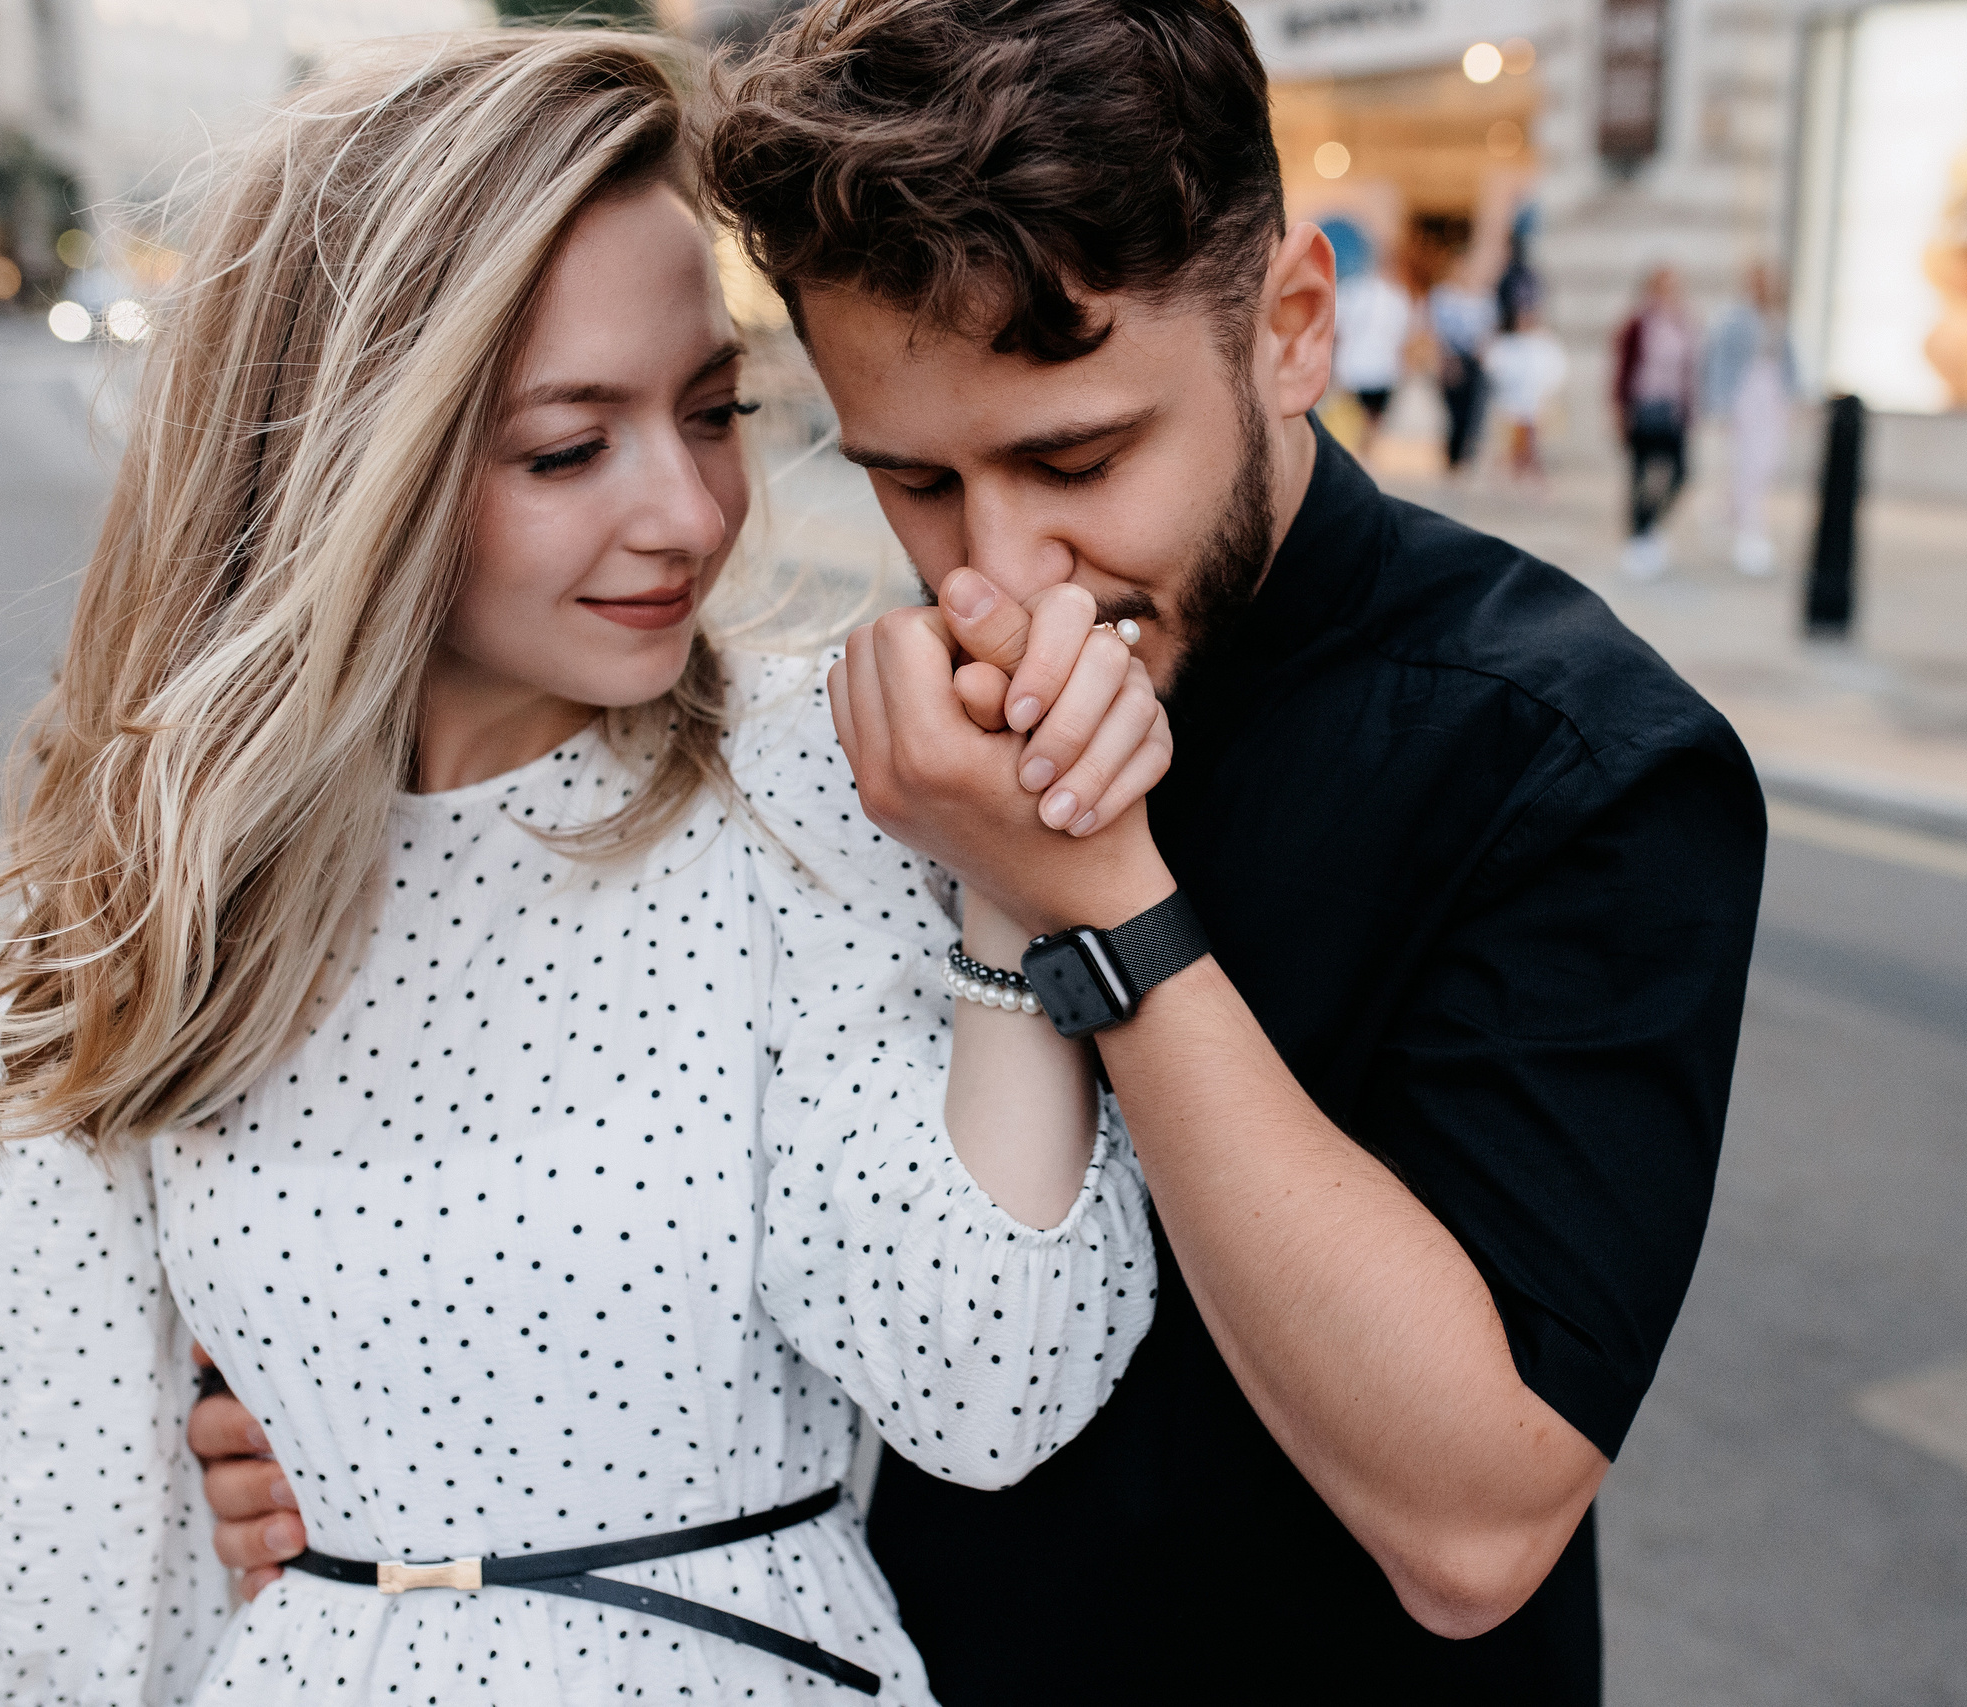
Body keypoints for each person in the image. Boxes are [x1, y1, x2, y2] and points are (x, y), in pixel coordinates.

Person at [201, 2, 1768, 1701]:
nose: (998, 575)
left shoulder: (1580, 762)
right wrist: (377, 1444)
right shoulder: (879, 742)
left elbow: (1475, 1523)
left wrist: (1094, 900)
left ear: (1292, 328)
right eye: (916, 481)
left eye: (1074, 456)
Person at [0, 32, 1171, 1705]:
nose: (691, 512)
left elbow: (991, 1386)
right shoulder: (136, 898)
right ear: (356, 470)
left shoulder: (816, 783)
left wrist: (1009, 877)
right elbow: (69, 1573)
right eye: (568, 448)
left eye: (715, 411)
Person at [1701, 261, 1797, 576]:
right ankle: (1750, 534)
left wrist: (1794, 396)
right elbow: (1720, 361)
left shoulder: (1777, 318)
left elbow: (1789, 362)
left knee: (1766, 463)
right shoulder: (1734, 319)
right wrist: (1720, 405)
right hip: (1746, 395)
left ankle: (1731, 510)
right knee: (1747, 465)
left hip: (1772, 397)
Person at [1613, 264, 1697, 578]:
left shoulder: (1683, 323)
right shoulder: (1637, 324)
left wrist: (1689, 409)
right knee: (1640, 475)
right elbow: (1623, 370)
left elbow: (1688, 371)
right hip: (1644, 407)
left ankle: (1650, 527)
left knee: (1681, 474)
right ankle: (1637, 536)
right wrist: (1620, 412)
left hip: (1672, 410)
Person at [1332, 254, 1411, 452]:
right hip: (1377, 369)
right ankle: (1364, 451)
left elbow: (1337, 330)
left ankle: (1360, 451)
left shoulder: (1353, 290)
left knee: (1356, 419)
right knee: (1368, 419)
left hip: (1359, 367)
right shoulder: (1397, 296)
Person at [1484, 300, 1570, 481]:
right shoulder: (1506, 343)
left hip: (1538, 403)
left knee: (1533, 443)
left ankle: (1532, 472)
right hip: (1510, 403)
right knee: (1509, 443)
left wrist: (1544, 392)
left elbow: (1556, 370)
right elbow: (1495, 366)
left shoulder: (1545, 343)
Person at [1428, 255, 1495, 472]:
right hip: (1452, 359)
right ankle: (1452, 458)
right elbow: (1437, 331)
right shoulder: (1443, 296)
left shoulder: (1483, 297)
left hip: (1475, 360)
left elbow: (1489, 330)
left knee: (1473, 412)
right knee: (1454, 413)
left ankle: (1467, 459)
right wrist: (1444, 360)